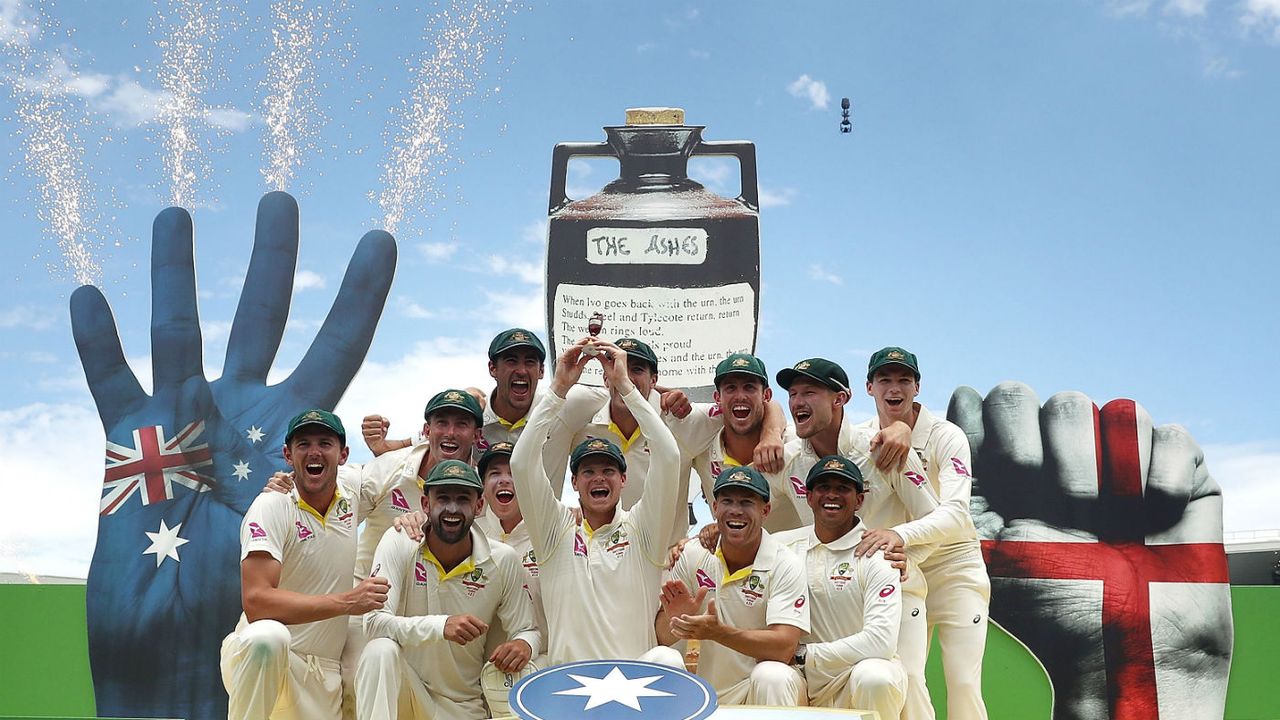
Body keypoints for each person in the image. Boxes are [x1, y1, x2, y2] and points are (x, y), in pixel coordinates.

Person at [776, 357, 940, 720]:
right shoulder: (788, 458)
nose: (798, 401)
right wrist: (708, 532)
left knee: (905, 684)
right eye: (793, 393)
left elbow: (939, 518)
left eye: (810, 392)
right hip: (825, 598)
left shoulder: (883, 446)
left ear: (841, 398)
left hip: (893, 584)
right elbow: (749, 509)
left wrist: (906, 551)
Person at [509, 338, 684, 666]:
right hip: (570, 696)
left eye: (608, 470)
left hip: (636, 697)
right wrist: (559, 387)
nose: (599, 478)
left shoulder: (643, 530)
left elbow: (669, 455)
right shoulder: (554, 531)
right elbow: (521, 463)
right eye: (587, 471)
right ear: (574, 482)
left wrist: (625, 386)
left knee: (666, 659)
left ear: (624, 480)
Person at [220, 410, 389, 720]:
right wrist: (347, 602)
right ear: (288, 454)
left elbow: (414, 470)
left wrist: (414, 515)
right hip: (268, 660)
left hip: (321, 674)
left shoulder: (352, 493)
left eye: (325, 443)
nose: (314, 452)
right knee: (268, 637)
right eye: (303, 444)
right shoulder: (272, 505)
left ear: (343, 455)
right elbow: (256, 601)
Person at [855, 347, 990, 720]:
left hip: (953, 564)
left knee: (963, 681)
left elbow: (956, 515)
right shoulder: (859, 438)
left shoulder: (947, 436)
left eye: (903, 380)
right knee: (907, 675)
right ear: (869, 387)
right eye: (885, 379)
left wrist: (899, 536)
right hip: (902, 566)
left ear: (917, 387)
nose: (894, 388)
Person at [357, 460, 539, 720]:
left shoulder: (502, 560)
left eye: (463, 499)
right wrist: (442, 626)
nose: (452, 509)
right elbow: (373, 623)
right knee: (380, 652)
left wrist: (524, 644)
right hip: (407, 690)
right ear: (425, 504)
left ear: (478, 506)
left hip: (463, 705)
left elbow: (527, 629)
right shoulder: (399, 541)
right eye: (442, 498)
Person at [659, 466, 809, 706]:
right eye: (727, 501)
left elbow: (785, 647)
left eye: (747, 502)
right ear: (715, 508)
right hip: (705, 694)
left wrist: (719, 633)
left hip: (757, 691)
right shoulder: (692, 554)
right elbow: (662, 637)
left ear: (766, 510)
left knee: (772, 676)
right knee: (661, 657)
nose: (736, 511)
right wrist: (677, 619)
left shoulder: (785, 563)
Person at [775, 455, 906, 717]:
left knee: (875, 677)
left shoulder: (880, 553)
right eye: (823, 487)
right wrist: (704, 538)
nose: (832, 495)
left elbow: (881, 642)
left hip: (854, 674)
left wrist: (804, 654)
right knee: (770, 675)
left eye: (843, 488)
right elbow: (736, 545)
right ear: (809, 496)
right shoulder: (780, 546)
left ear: (859, 499)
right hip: (802, 678)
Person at [660, 352, 796, 529]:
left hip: (791, 555)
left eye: (749, 387)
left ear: (767, 395)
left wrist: (772, 433)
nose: (740, 396)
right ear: (717, 398)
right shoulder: (703, 443)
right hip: (730, 553)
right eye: (730, 388)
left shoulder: (791, 444)